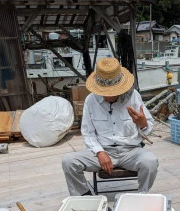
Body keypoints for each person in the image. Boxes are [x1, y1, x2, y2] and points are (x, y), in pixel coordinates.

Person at [62, 57, 158, 196]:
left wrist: (143, 124)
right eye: (105, 91)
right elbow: (88, 133)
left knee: (150, 162)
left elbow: (148, 128)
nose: (109, 95)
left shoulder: (133, 96)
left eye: (113, 91)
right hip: (103, 151)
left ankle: (141, 196)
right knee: (68, 161)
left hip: (131, 151)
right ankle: (85, 196)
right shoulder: (91, 100)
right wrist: (100, 152)